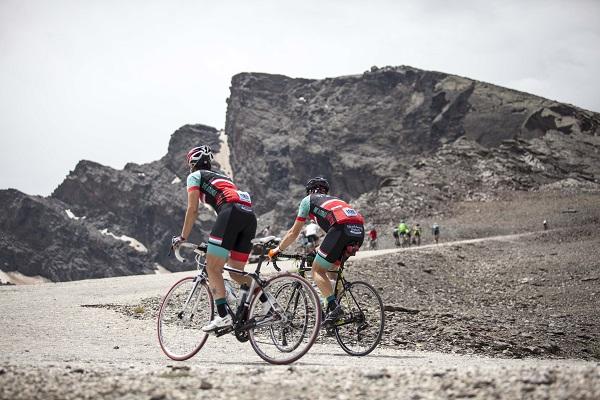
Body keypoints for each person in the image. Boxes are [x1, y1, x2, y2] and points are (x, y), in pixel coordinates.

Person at [171, 145, 262, 333]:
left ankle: (222, 315)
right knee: (237, 273)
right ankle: (270, 306)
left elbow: (193, 209)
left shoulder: (195, 176)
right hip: (248, 216)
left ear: (192, 164)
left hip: (230, 213)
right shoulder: (224, 178)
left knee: (212, 267)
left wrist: (183, 237)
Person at [268, 177, 365, 326]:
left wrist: (277, 250)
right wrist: (316, 251)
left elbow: (293, 233)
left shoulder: (308, 200)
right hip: (358, 231)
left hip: (341, 229)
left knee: (317, 271)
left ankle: (334, 308)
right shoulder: (334, 200)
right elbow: (332, 238)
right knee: (332, 271)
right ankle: (334, 318)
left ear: (309, 191)